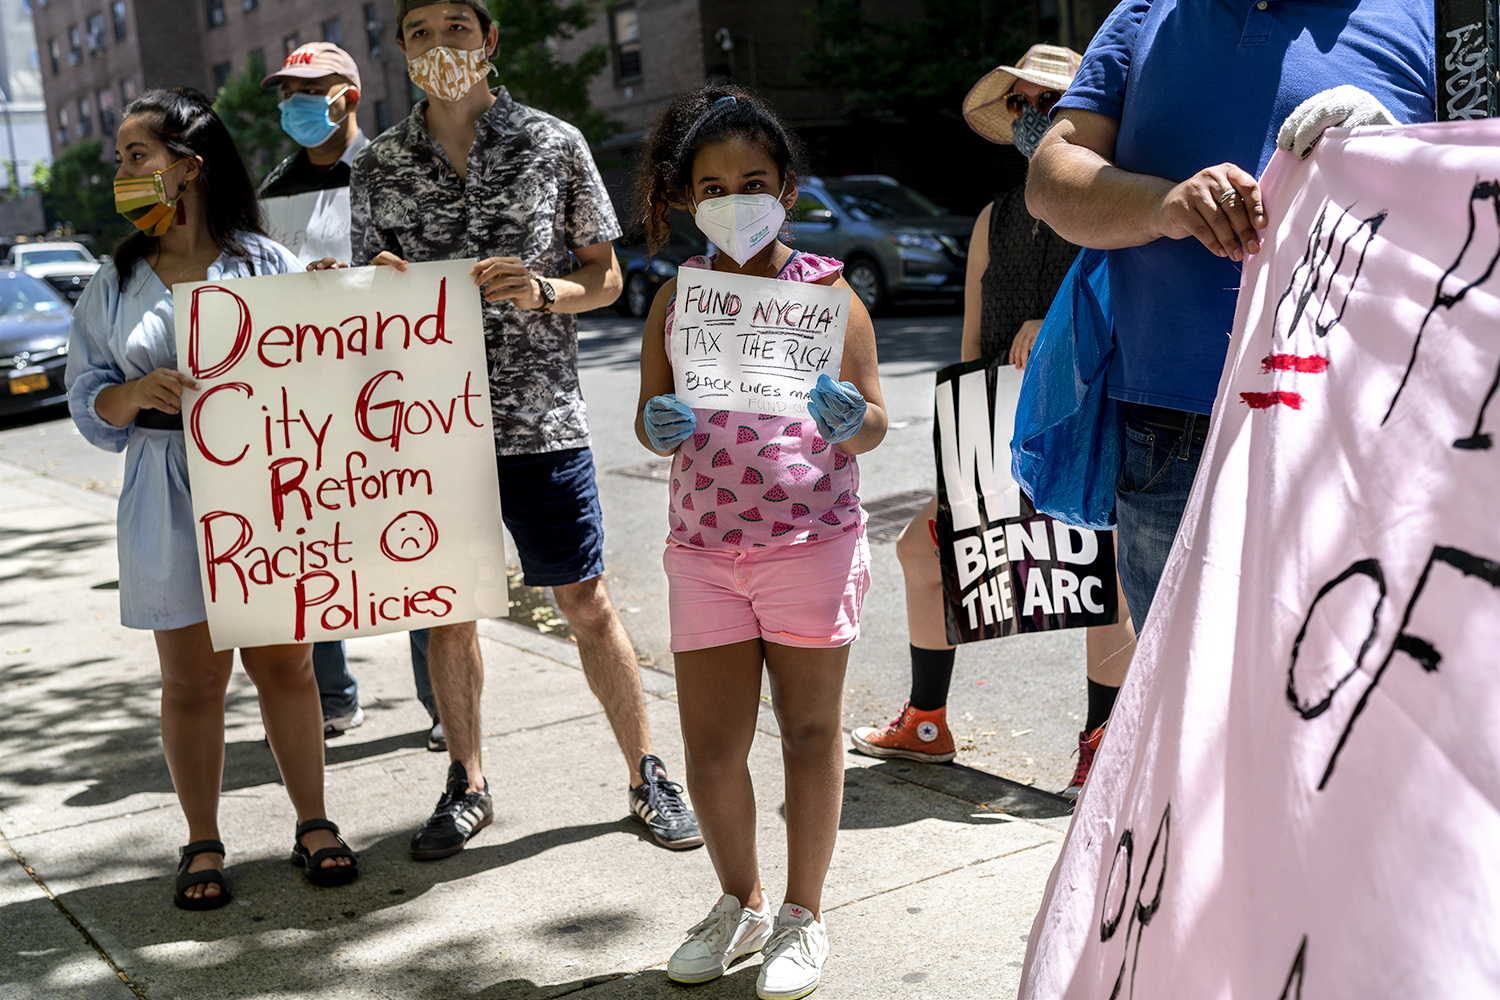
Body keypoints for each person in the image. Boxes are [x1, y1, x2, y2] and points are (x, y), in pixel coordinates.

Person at [347, 0, 700, 859]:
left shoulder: (554, 141)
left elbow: (607, 276)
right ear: (401, 51)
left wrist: (545, 290)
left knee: (585, 601)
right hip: (428, 429)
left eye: (457, 29)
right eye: (421, 33)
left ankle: (647, 772)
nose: (440, 47)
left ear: (489, 39)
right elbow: (357, 299)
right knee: (447, 612)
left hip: (540, 419)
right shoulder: (379, 165)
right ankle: (466, 782)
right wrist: (376, 282)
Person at [1026, 0, 1435, 633]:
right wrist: (1163, 203)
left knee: (1347, 709)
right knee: (1186, 715)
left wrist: (1398, 155)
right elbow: (1052, 179)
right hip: (1171, 438)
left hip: (1359, 431)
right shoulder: (1143, 14)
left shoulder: (1442, 17)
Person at [64, 88, 359, 910]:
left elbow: (336, 353)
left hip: (265, 486)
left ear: (188, 167)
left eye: (135, 157)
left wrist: (362, 294)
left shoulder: (267, 264)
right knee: (192, 682)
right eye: (120, 159)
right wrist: (136, 395)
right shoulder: (113, 280)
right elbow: (87, 397)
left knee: (288, 666)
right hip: (165, 489)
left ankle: (314, 821)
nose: (121, 173)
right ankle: (201, 839)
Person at [635, 85, 888, 999]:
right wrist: (660, 426)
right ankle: (737, 902)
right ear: (686, 200)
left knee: (813, 734)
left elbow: (873, 424)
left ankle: (803, 914)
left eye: (751, 179)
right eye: (710, 185)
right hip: (703, 551)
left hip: (809, 542)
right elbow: (645, 422)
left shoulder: (828, 296)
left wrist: (853, 417)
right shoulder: (676, 298)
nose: (732, 199)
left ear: (787, 188)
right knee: (710, 749)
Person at [848, 45, 1136, 801]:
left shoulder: (1113, 197)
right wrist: (959, 470)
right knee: (925, 547)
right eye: (1019, 103)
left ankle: (1103, 739)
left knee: (1102, 576)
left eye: (1049, 100)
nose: (1031, 115)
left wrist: (1054, 327)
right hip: (996, 428)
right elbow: (972, 344)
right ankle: (928, 720)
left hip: (1087, 423)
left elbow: (1129, 313)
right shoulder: (993, 219)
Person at [258, 40, 442, 747]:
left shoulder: (400, 169)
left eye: (310, 89)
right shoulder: (272, 191)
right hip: (305, 402)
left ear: (349, 97)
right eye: (286, 93)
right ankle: (331, 695)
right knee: (310, 546)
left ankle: (439, 703)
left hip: (397, 394)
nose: (293, 104)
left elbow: (431, 276)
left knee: (420, 549)